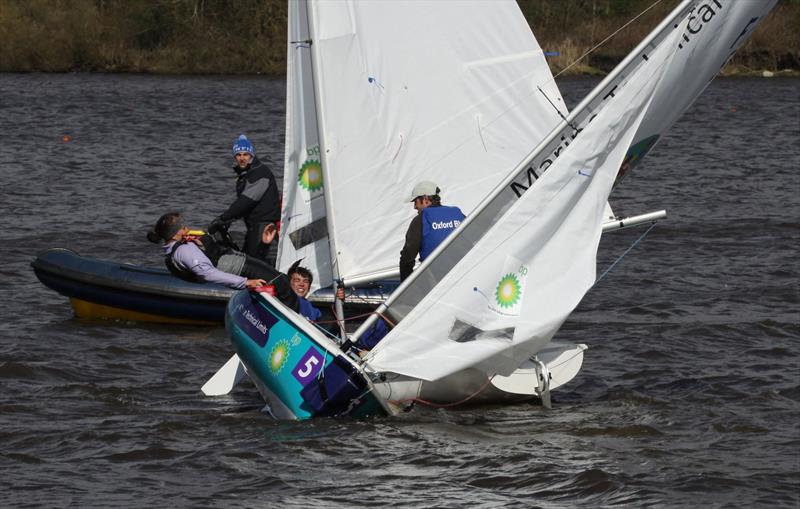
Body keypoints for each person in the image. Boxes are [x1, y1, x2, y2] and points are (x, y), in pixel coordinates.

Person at [148, 212, 297, 310]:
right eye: (183, 227)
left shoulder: (177, 245)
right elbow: (209, 274)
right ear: (175, 234)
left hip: (235, 260)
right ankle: (296, 323)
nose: (187, 228)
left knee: (278, 274)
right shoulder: (185, 251)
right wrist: (246, 282)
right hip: (236, 267)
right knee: (282, 283)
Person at [208, 134, 281, 267]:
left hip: (263, 224)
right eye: (238, 155)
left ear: (252, 155)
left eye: (246, 154)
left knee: (253, 263)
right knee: (249, 258)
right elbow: (245, 205)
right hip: (254, 224)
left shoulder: (260, 173)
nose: (242, 158)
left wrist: (224, 218)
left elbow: (247, 200)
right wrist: (230, 219)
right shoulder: (247, 173)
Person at [398, 180, 465, 281]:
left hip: (439, 282)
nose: (414, 207)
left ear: (425, 198)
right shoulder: (457, 213)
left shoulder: (421, 219)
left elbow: (407, 259)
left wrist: (405, 288)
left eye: (415, 202)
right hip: (465, 274)